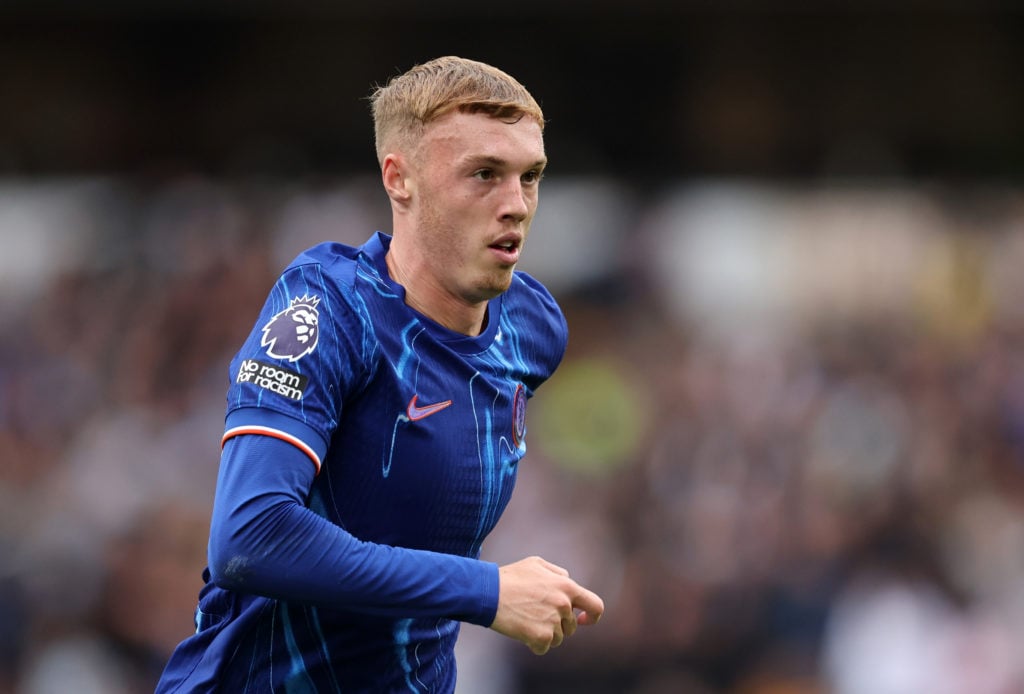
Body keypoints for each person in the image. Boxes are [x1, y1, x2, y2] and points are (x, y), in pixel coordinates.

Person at [155, 55, 604, 693]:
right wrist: (486, 590)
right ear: (399, 179)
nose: (516, 205)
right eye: (484, 174)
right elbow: (250, 537)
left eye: (529, 176)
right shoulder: (329, 307)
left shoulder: (532, 328)